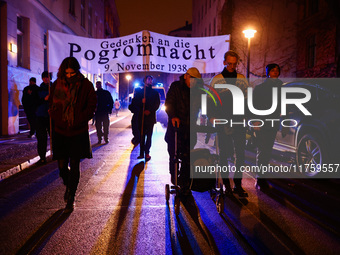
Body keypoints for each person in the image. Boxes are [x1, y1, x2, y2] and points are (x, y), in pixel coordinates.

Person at [49, 57, 97, 212]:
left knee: (75, 164)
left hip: (77, 131)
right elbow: (52, 104)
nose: (69, 76)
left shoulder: (86, 85)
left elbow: (91, 106)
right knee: (62, 166)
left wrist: (79, 119)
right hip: (61, 131)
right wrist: (56, 117)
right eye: (67, 73)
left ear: (77, 71)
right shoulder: (57, 84)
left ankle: (71, 198)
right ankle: (68, 184)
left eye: (72, 73)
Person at [209, 50, 249, 198]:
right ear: (224, 62)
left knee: (240, 154)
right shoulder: (217, 79)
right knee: (224, 154)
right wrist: (212, 116)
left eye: (234, 64)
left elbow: (246, 100)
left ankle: (238, 184)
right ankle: (226, 185)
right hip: (222, 120)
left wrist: (248, 117)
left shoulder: (242, 79)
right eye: (229, 63)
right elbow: (210, 99)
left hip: (238, 120)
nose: (232, 66)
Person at [165, 67, 203, 191]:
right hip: (175, 130)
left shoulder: (198, 91)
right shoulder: (175, 87)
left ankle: (184, 181)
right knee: (174, 155)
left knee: (188, 157)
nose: (193, 82)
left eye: (196, 80)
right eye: (192, 78)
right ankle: (174, 177)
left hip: (190, 129)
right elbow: (169, 103)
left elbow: (204, 104)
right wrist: (173, 116)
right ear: (186, 76)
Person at [252, 63, 283, 191]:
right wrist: (255, 122)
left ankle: (262, 174)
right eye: (273, 70)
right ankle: (260, 178)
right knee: (263, 150)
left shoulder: (281, 87)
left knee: (267, 150)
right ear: (268, 72)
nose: (275, 72)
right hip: (262, 122)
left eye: (277, 70)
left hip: (273, 122)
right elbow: (254, 105)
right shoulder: (261, 88)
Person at [130, 75, 160, 161]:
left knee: (149, 136)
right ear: (144, 81)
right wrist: (141, 102)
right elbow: (134, 103)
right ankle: (141, 152)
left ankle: (147, 152)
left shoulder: (155, 93)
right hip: (141, 117)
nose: (150, 80)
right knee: (142, 135)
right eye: (148, 79)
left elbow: (156, 104)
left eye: (151, 79)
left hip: (150, 118)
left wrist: (150, 110)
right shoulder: (140, 92)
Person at [35, 71, 51, 163]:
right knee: (41, 138)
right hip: (41, 116)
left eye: (47, 77)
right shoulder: (38, 89)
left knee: (54, 136)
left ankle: (56, 154)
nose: (46, 78)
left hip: (51, 116)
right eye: (44, 77)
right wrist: (43, 99)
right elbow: (35, 102)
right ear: (42, 78)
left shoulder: (53, 88)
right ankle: (42, 157)